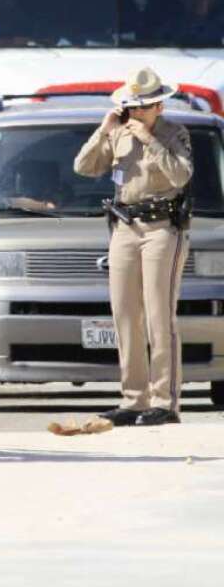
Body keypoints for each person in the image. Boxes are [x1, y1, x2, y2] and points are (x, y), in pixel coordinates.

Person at [73, 67, 193, 426]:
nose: (134, 113)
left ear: (158, 107)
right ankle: (134, 399)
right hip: (126, 226)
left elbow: (181, 175)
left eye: (141, 107)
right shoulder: (119, 131)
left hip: (162, 228)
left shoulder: (175, 134)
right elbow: (83, 166)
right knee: (125, 315)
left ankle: (164, 401)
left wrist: (150, 139)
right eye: (130, 107)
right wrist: (104, 129)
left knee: (159, 315)